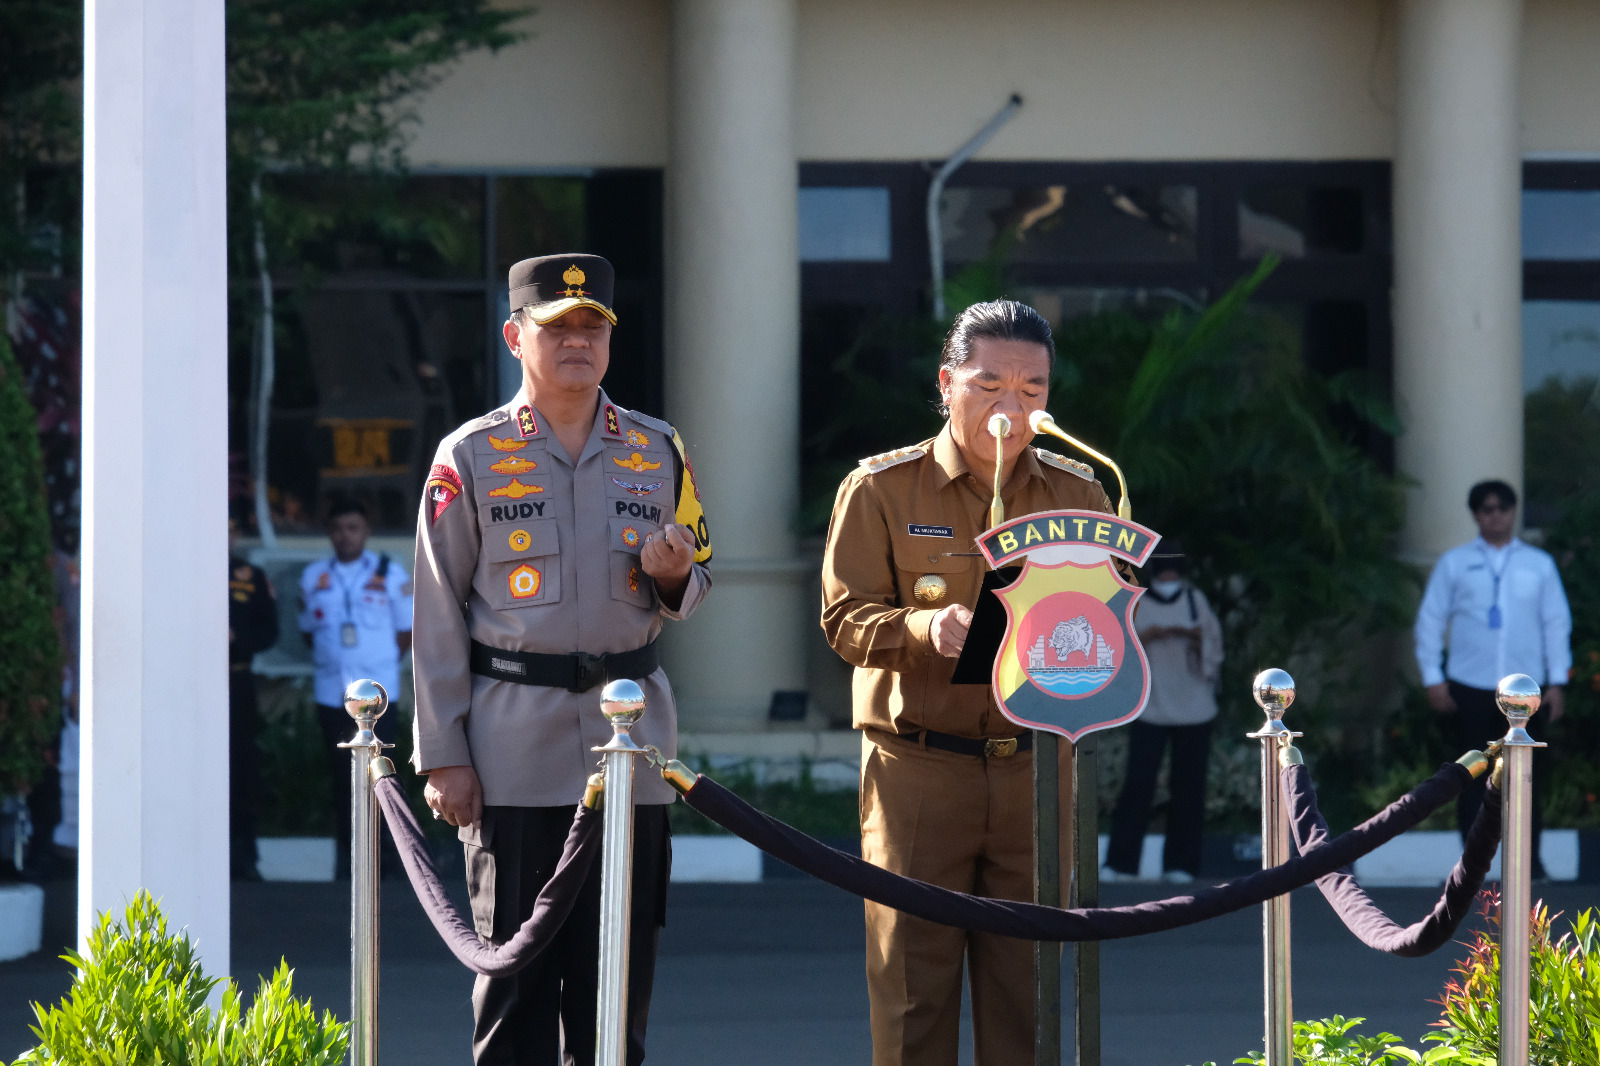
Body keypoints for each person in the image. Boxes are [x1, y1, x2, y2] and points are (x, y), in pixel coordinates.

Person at [411, 253, 712, 1066]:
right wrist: (444, 754)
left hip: (631, 750)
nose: (577, 341)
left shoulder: (658, 449)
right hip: (514, 752)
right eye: (557, 327)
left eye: (592, 326)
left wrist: (673, 574)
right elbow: (436, 612)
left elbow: (695, 583)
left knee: (616, 992)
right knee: (515, 990)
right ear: (516, 337)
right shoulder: (469, 455)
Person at [821, 299, 1120, 1066]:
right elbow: (844, 621)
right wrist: (925, 629)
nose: (1010, 408)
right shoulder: (883, 489)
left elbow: (1106, 621)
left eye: (1031, 389)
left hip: (1036, 770)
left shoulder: (1081, 493)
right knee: (913, 999)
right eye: (989, 386)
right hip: (920, 768)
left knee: (1027, 998)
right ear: (947, 383)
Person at [1415, 479, 1571, 880]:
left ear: (1514, 512)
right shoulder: (1455, 563)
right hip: (1470, 684)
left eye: (1503, 508)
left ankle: (1529, 864)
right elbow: (1430, 620)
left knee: (1526, 777)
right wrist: (1433, 678)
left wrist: (1557, 681)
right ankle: (1472, 867)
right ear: (1476, 515)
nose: (1496, 516)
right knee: (1470, 776)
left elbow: (1556, 623)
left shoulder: (1538, 564)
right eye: (1487, 509)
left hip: (1526, 692)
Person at [299, 497, 414, 872]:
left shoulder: (391, 574)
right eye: (337, 529)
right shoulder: (314, 577)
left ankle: (387, 863)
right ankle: (347, 864)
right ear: (328, 532)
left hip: (377, 697)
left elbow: (406, 632)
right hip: (331, 692)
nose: (345, 536)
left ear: (366, 531)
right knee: (340, 777)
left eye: (353, 528)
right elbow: (308, 632)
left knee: (382, 776)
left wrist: (375, 664)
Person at [1101, 544, 1223, 884]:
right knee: (1137, 786)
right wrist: (1149, 637)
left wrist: (1195, 641)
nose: (1169, 577)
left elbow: (1214, 650)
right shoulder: (1137, 602)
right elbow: (1119, 649)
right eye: (1164, 570)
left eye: (1174, 570)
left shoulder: (1195, 601)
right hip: (1150, 707)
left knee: (1188, 788)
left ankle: (1181, 864)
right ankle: (1121, 863)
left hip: (1194, 708)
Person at [229, 516, 279, 880]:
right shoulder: (183, 570)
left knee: (241, 765)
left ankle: (244, 854)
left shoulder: (250, 575)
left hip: (236, 677)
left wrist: (237, 638)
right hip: (192, 682)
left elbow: (269, 631)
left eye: (228, 529)